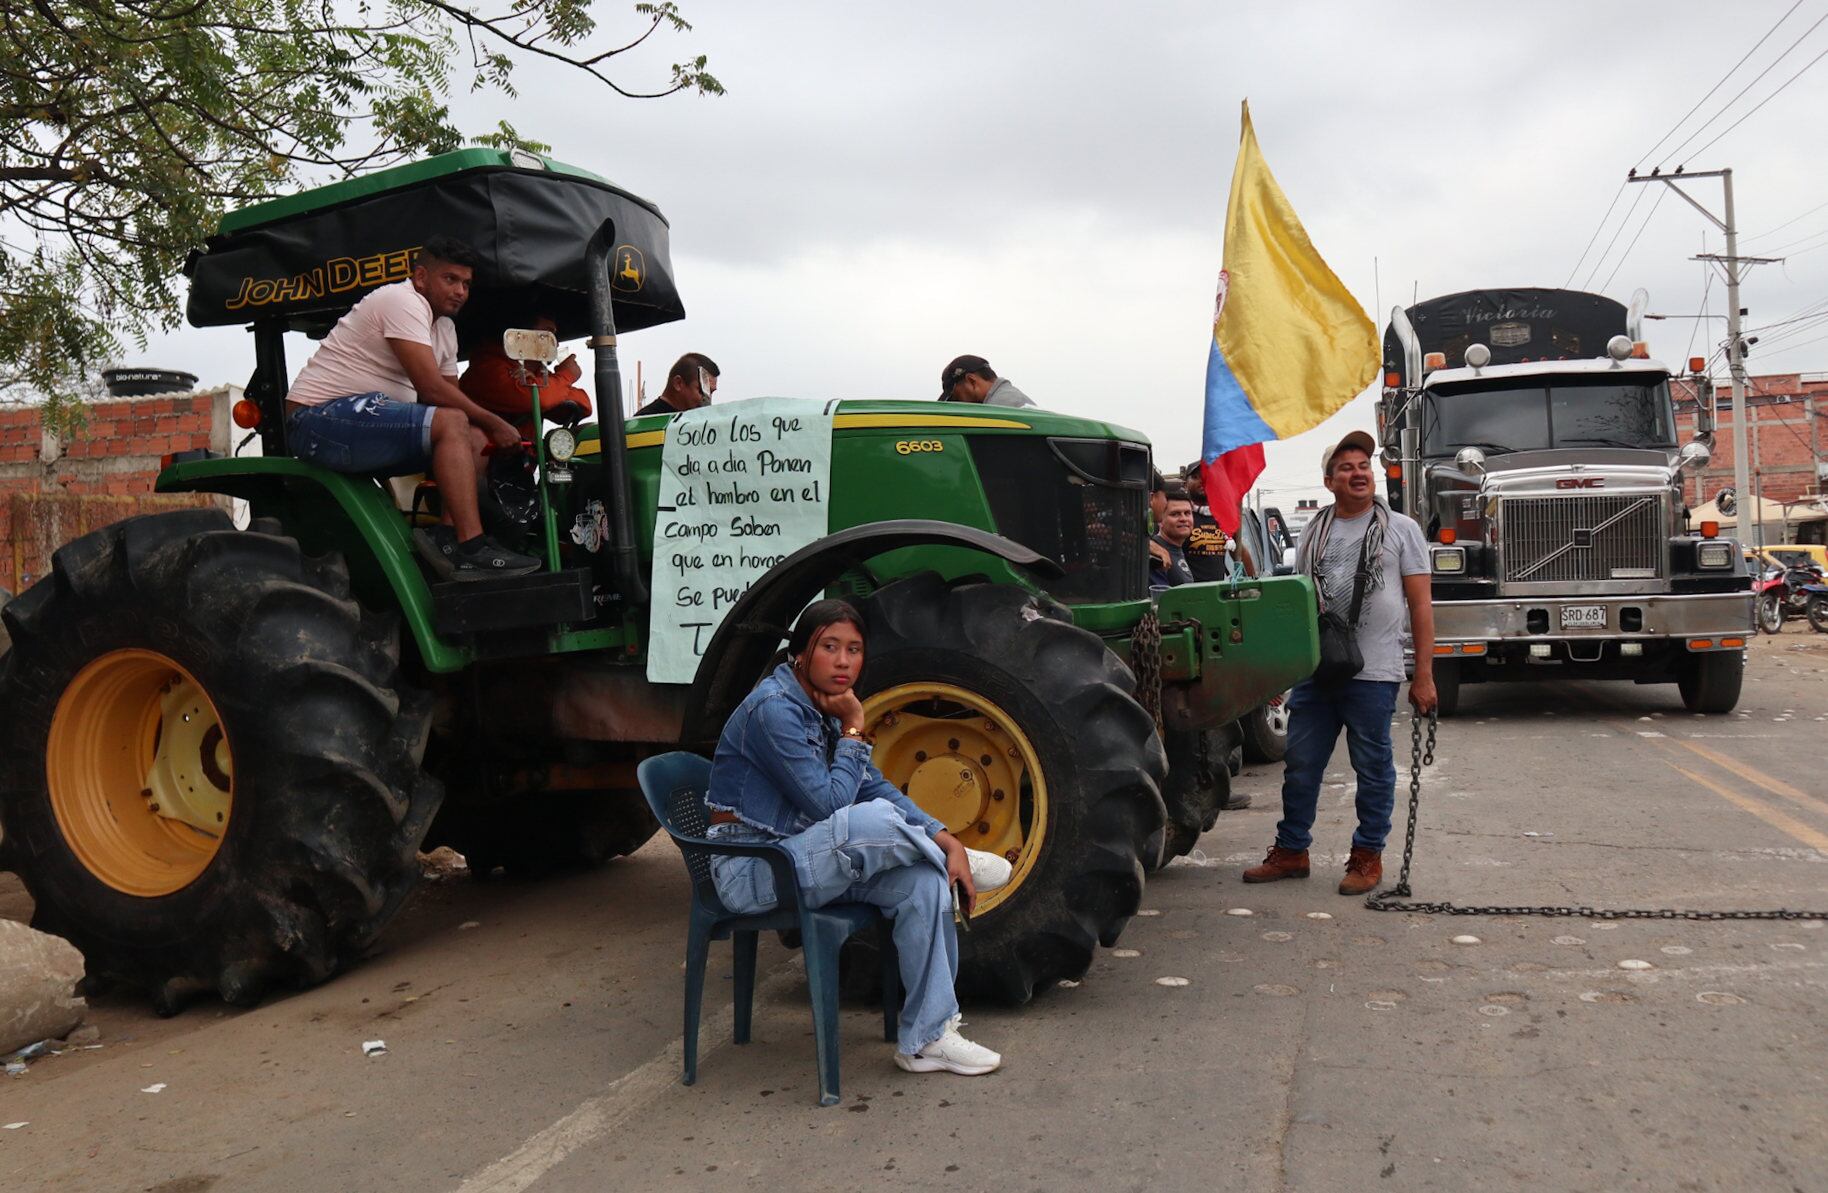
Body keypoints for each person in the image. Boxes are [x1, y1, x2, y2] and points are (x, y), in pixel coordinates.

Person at [704, 600, 1011, 1076]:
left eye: (854, 649)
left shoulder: (821, 702)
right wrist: (853, 727)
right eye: (830, 648)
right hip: (755, 869)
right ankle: (952, 856)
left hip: (807, 856)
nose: (844, 661)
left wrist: (944, 837)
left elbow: (870, 782)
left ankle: (928, 1039)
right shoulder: (774, 710)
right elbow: (829, 806)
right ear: (802, 653)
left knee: (922, 883)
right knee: (871, 821)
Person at [1242, 430, 1438, 895]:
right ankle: (1292, 850)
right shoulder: (1314, 528)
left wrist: (1424, 675)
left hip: (1374, 672)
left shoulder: (1401, 529)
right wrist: (1283, 669)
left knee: (1373, 769)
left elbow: (1422, 605)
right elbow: (1300, 602)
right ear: (1329, 481)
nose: (1358, 473)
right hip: (1318, 670)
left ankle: (1367, 856)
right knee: (1301, 764)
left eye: (1364, 466)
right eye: (1347, 467)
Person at [284, 236, 539, 579]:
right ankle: (472, 546)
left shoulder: (445, 329)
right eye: (450, 279)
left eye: (466, 283)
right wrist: (495, 420)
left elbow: (452, 400)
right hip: (317, 420)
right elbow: (431, 389)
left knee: (473, 436)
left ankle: (449, 537)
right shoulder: (401, 300)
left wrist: (489, 428)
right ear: (421, 277)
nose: (460, 291)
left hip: (367, 420)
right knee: (458, 423)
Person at [459, 314, 593, 431]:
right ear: (521, 336)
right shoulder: (488, 371)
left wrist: (541, 385)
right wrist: (567, 375)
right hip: (490, 456)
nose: (556, 344)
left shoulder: (538, 376)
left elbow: (584, 405)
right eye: (548, 334)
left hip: (525, 457)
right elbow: (541, 399)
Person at [635, 353, 720, 416]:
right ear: (678, 383)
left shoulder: (700, 422)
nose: (708, 400)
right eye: (701, 391)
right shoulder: (644, 422)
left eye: (710, 393)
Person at [938, 355, 1035, 407]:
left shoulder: (998, 409)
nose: (958, 405)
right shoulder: (1012, 398)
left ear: (972, 381)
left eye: (956, 398)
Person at [1149, 490, 1196, 588]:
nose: (1183, 519)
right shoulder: (1155, 556)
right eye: (1175, 514)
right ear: (1160, 520)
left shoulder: (1177, 549)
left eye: (1187, 513)